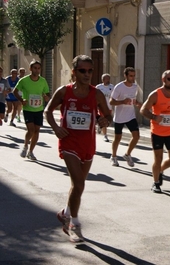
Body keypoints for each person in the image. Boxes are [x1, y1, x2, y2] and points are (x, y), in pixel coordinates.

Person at [44, 54, 112, 243]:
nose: (87, 74)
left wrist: (104, 119)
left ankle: (65, 213)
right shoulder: (64, 92)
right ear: (74, 72)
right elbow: (48, 111)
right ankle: (73, 224)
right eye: (82, 71)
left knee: (78, 185)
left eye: (90, 71)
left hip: (88, 144)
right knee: (79, 183)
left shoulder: (96, 93)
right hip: (69, 143)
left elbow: (107, 115)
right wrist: (56, 128)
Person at [140, 70, 170, 193]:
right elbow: (143, 110)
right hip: (157, 132)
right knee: (158, 158)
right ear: (163, 80)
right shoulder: (155, 94)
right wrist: (154, 117)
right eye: (169, 79)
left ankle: (160, 171)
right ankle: (156, 182)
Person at [13, 60, 51, 161]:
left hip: (39, 109)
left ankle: (31, 152)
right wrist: (21, 100)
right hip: (28, 109)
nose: (37, 70)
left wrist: (47, 97)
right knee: (31, 130)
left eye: (39, 68)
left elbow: (47, 93)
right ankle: (25, 146)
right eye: (35, 68)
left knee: (37, 131)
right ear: (30, 69)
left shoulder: (43, 81)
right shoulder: (24, 80)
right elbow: (15, 91)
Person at [109, 67, 142, 167]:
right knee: (118, 138)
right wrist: (122, 101)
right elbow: (111, 101)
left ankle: (127, 154)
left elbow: (133, 100)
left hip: (131, 115)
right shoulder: (119, 87)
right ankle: (113, 157)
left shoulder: (135, 87)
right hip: (119, 116)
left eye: (134, 76)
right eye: (131, 76)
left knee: (136, 136)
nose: (133, 78)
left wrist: (137, 103)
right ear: (125, 75)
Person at [96, 73, 114, 142]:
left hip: (109, 107)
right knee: (104, 120)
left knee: (107, 121)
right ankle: (105, 135)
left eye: (109, 78)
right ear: (103, 80)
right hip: (101, 107)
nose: (108, 80)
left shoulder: (112, 87)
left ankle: (100, 125)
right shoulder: (98, 87)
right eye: (106, 79)